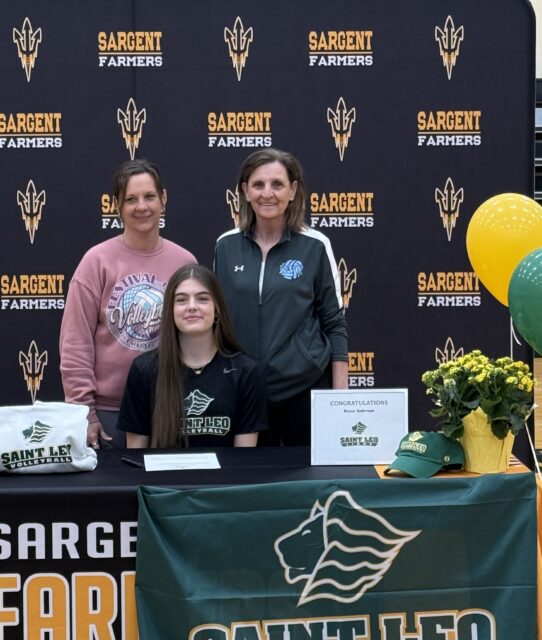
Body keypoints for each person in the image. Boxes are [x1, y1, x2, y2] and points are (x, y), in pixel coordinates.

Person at [214, 148, 348, 446]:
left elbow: (334, 322)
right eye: (258, 184)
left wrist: (340, 400)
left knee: (309, 474)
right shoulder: (225, 246)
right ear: (245, 191)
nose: (267, 193)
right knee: (247, 473)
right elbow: (217, 320)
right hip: (244, 390)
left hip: (303, 387)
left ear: (293, 190)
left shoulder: (315, 245)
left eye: (277, 184)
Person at [59, 159, 196, 449]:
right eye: (131, 199)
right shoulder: (96, 261)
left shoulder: (184, 262)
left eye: (149, 196)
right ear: (116, 206)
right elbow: (75, 343)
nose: (141, 206)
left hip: (169, 407)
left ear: (164, 198)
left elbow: (196, 339)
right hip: (109, 413)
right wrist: (84, 412)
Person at [117, 264, 267, 447]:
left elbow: (245, 456)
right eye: (181, 300)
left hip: (227, 468)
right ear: (170, 311)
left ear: (217, 309)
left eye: (202, 299)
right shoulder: (144, 369)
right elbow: (135, 455)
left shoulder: (246, 371)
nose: (192, 306)